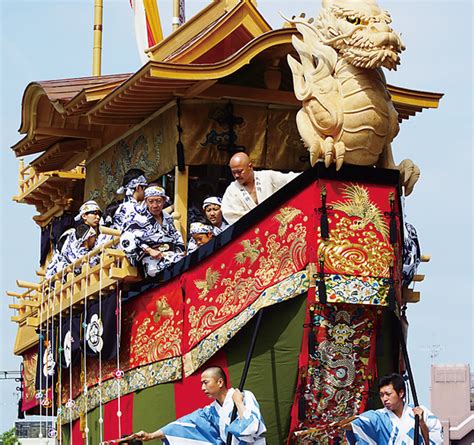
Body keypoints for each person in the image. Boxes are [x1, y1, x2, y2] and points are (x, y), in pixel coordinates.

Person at [132, 366, 266, 444]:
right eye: (201, 383)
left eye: (205, 382)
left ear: (220, 382)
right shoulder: (210, 411)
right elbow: (183, 425)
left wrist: (238, 403)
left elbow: (252, 427)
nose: (202, 387)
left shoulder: (245, 396)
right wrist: (151, 435)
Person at [341, 373, 443, 445]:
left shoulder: (420, 412)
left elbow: (434, 440)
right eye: (381, 395)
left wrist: (421, 423)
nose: (384, 399)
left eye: (388, 394)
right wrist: (342, 424)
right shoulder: (378, 417)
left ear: (401, 393)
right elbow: (355, 424)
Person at [120, 184, 185, 278]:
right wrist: (149, 250)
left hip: (171, 255)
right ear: (146, 201)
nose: (155, 205)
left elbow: (176, 236)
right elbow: (126, 238)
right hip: (151, 260)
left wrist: (181, 251)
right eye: (151, 201)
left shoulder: (167, 217)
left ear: (164, 201)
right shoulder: (137, 218)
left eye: (158, 201)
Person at [221, 152, 299, 224]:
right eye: (233, 172)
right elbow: (231, 214)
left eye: (239, 171)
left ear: (250, 166)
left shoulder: (267, 176)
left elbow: (290, 179)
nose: (236, 175)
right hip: (252, 231)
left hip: (277, 223)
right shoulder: (231, 191)